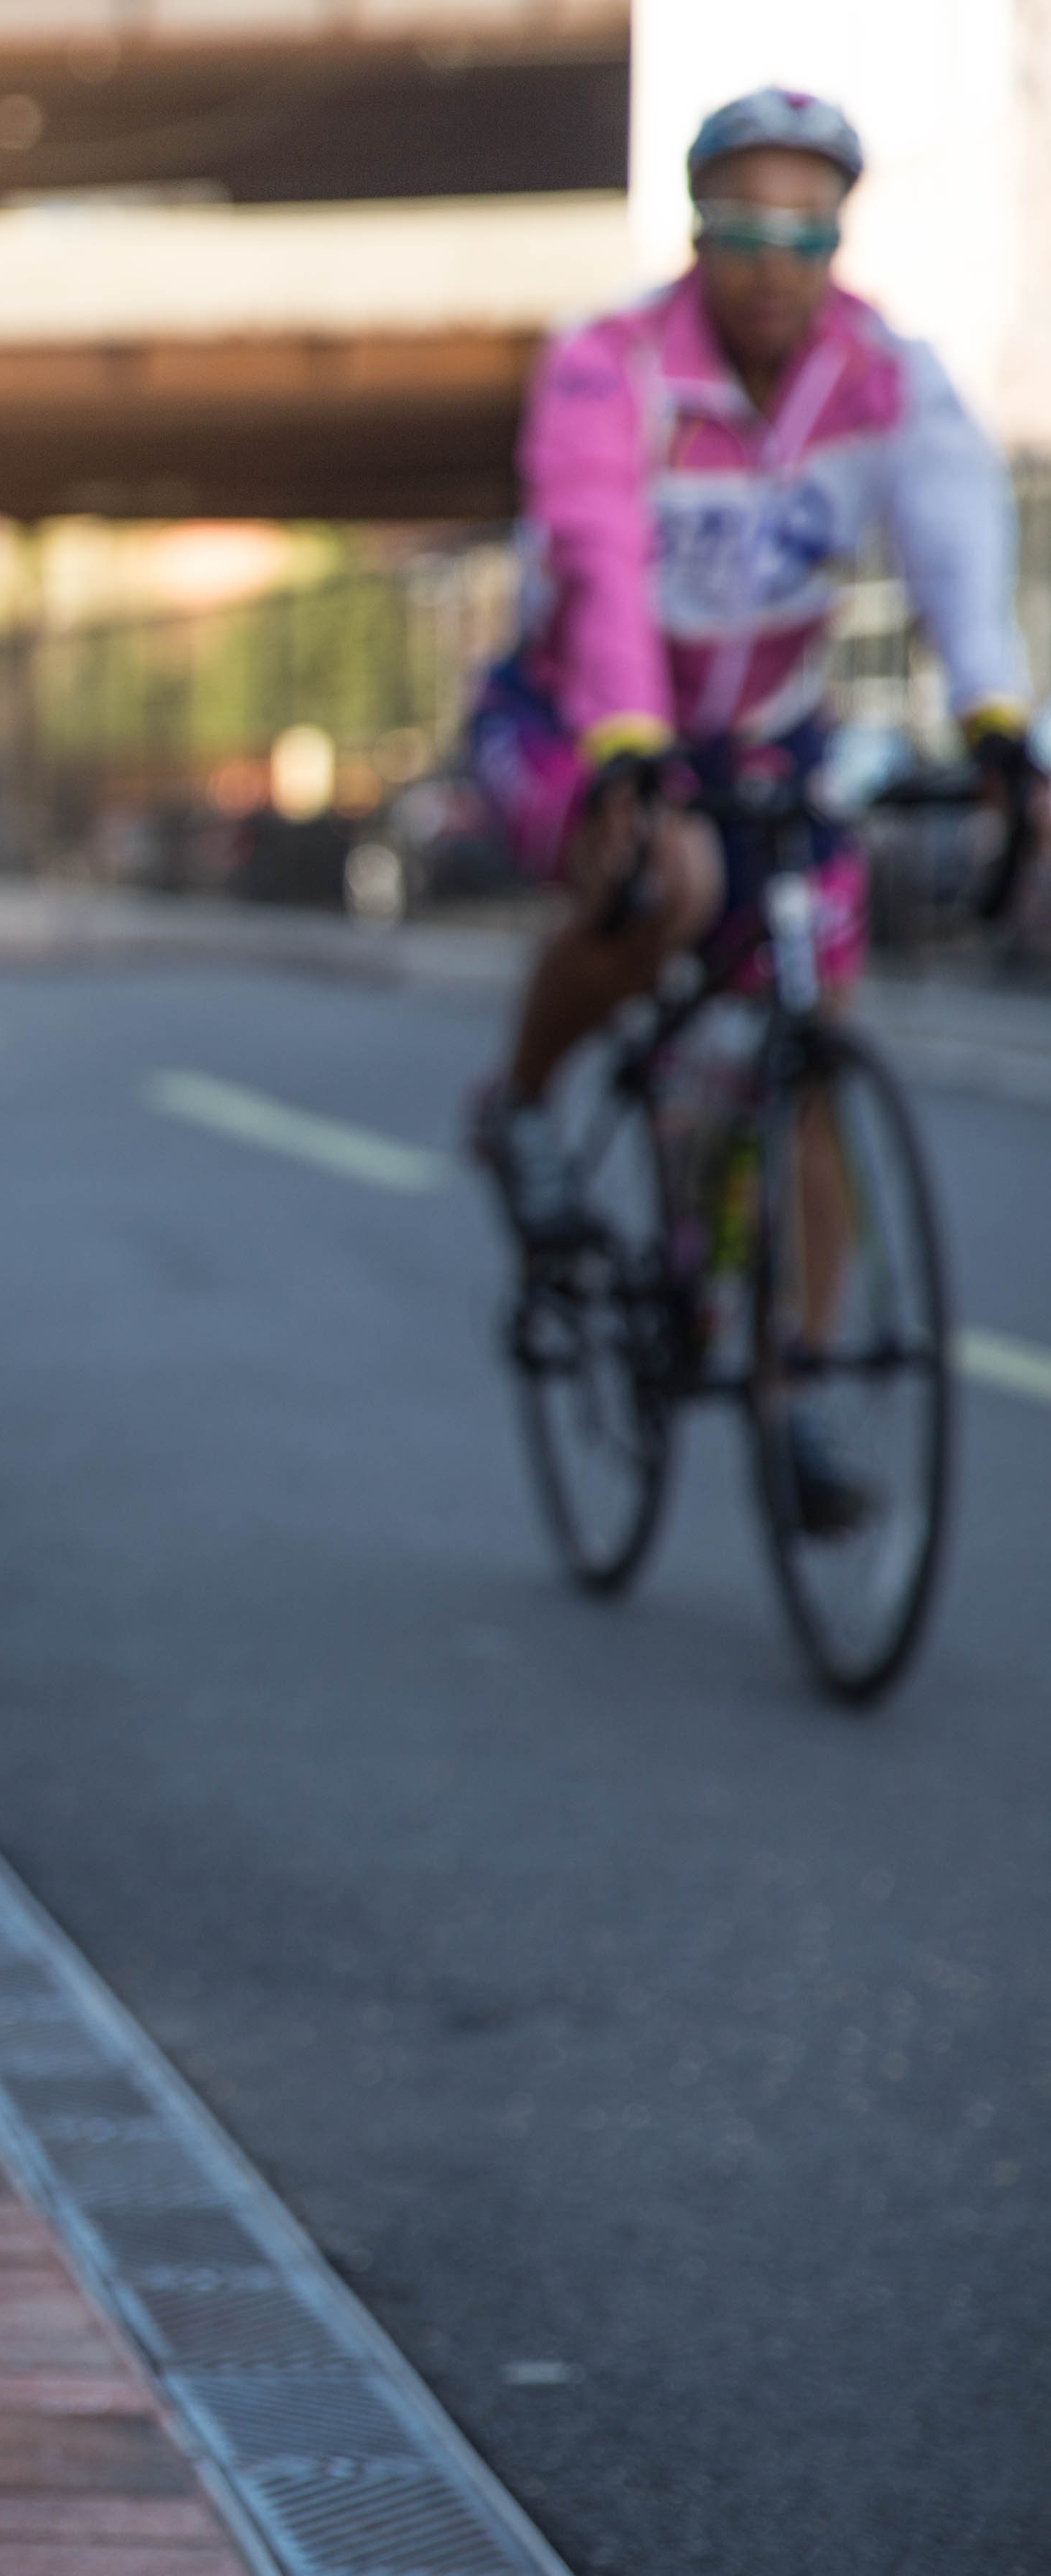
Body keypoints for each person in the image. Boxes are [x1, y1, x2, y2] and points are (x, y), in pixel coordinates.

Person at [467, 88, 1038, 1522]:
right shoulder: (608, 365)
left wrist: (1000, 736)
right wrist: (627, 740)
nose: (776, 261)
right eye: (742, 228)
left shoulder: (883, 375)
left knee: (812, 1055)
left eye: (806, 231)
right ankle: (522, 1107)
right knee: (675, 882)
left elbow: (962, 550)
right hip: (577, 716)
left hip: (773, 736)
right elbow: (597, 557)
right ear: (697, 227)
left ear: (837, 236)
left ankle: (795, 1399)